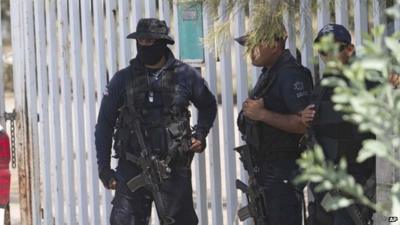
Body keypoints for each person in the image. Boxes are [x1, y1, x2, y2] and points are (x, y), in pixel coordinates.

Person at [95, 18, 217, 225]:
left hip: (173, 169)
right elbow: (104, 125)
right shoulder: (122, 79)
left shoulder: (185, 75)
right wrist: (104, 168)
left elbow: (208, 105)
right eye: (140, 41)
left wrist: (200, 134)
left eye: (149, 41)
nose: (143, 45)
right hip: (132, 167)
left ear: (162, 43)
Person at [235, 25, 313, 225]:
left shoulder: (290, 74)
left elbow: (303, 125)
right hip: (266, 169)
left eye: (255, 45)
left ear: (275, 45)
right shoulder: (270, 72)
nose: (250, 51)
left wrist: (262, 114)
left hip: (282, 170)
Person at [300, 23, 376, 225]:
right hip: (323, 185)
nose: (328, 55)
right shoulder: (322, 87)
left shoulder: (365, 81)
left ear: (349, 49)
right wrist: (305, 118)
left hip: (352, 183)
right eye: (323, 50)